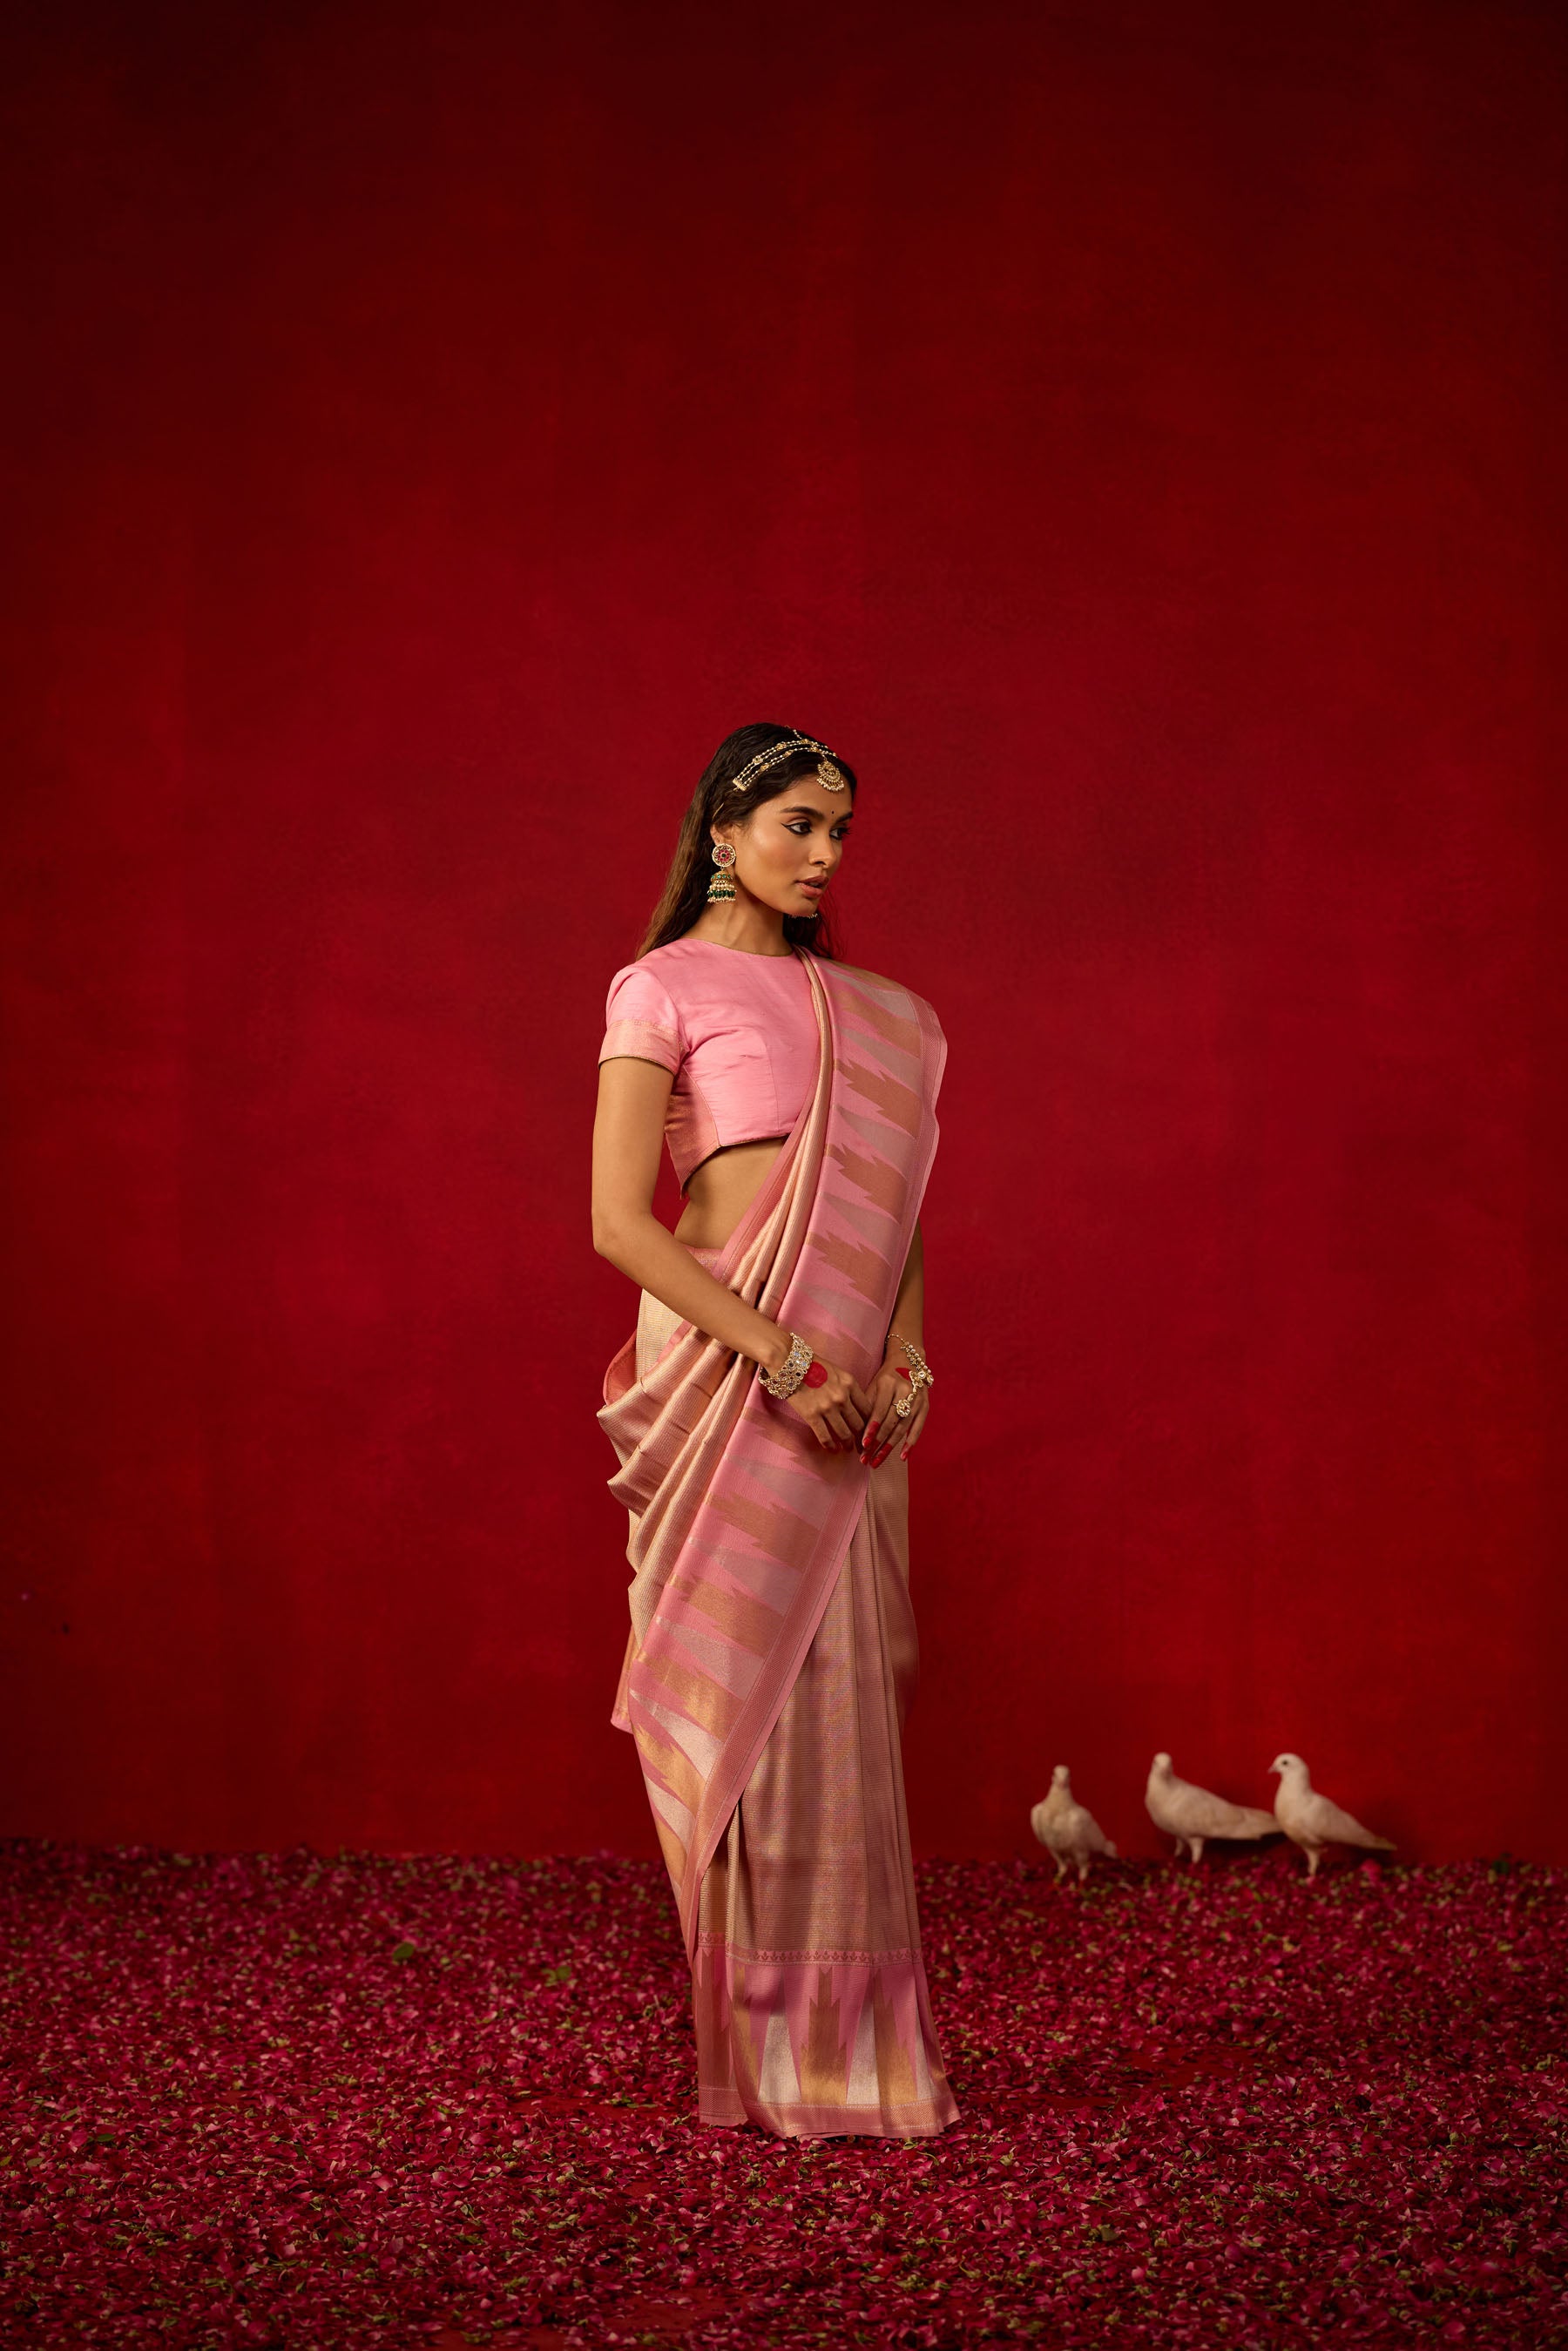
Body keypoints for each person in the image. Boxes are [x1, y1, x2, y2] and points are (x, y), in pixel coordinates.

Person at [591, 722, 958, 2139]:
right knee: (730, 1703)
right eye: (799, 823)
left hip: (843, 1387)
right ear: (725, 829)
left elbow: (897, 1215)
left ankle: (848, 2052)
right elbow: (620, 1221)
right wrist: (780, 1355)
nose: (824, 855)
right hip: (724, 1369)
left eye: (840, 831)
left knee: (846, 1707)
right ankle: (759, 2049)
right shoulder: (660, 987)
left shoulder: (880, 1015)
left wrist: (902, 1355)